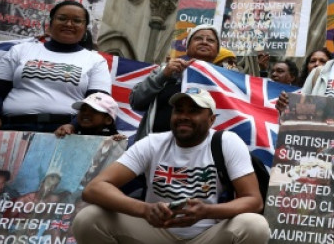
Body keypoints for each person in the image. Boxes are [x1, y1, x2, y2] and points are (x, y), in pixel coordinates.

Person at [72, 88, 268, 244]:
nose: (184, 116)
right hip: (154, 232)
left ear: (211, 120)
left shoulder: (227, 142)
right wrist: (145, 210)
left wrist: (207, 211)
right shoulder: (152, 143)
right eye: (179, 110)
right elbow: (94, 189)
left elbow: (253, 200)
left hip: (208, 234)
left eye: (194, 111)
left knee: (254, 226)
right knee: (89, 219)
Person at [0, 0, 111, 132]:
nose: (69, 24)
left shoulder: (96, 61)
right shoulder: (19, 50)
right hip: (11, 128)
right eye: (62, 18)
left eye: (77, 21)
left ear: (85, 28)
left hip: (64, 133)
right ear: (50, 24)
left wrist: (74, 125)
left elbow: (98, 102)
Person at [130, 24, 220, 140]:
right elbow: (136, 101)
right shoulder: (166, 70)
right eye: (198, 38)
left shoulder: (226, 83)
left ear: (217, 50)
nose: (204, 42)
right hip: (154, 150)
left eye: (210, 40)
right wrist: (163, 75)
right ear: (187, 48)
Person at [54, 92, 122, 137]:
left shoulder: (115, 138)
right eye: (83, 109)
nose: (86, 113)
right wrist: (61, 134)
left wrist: (117, 143)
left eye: (94, 111)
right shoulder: (71, 132)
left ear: (108, 120)